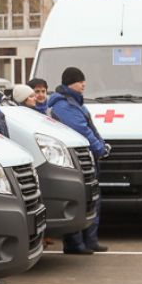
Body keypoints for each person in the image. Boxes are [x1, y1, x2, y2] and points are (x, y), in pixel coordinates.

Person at [47, 66, 109, 255]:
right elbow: (81, 130)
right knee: (80, 199)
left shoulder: (75, 103)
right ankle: (75, 244)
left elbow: (90, 128)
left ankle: (90, 241)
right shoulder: (65, 105)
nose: (83, 84)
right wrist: (100, 148)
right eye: (79, 81)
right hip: (77, 160)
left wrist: (101, 145)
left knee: (92, 199)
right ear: (69, 83)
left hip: (85, 158)